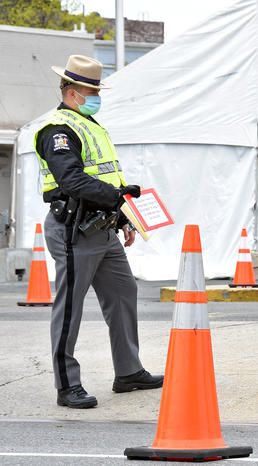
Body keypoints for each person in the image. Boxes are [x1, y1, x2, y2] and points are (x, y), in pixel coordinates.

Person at [34, 55, 163, 408]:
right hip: (74, 229)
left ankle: (128, 372)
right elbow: (71, 179)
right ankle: (67, 386)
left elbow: (105, 176)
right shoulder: (58, 130)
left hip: (102, 228)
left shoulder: (89, 124)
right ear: (72, 91)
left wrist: (122, 218)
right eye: (92, 90)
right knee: (70, 308)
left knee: (123, 294)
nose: (97, 96)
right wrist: (117, 198)